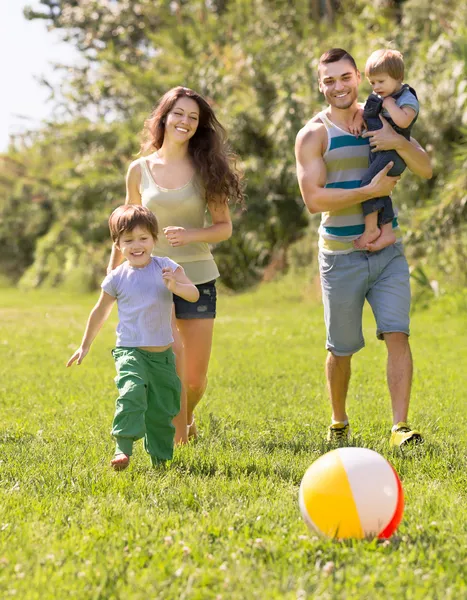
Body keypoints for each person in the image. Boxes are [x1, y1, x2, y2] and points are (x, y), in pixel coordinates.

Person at [295, 48, 432, 447]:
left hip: (388, 254)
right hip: (340, 254)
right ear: (321, 86)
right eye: (329, 80)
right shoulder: (314, 134)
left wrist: (395, 140)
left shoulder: (381, 113)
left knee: (397, 333)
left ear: (358, 77)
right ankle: (338, 420)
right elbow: (313, 201)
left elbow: (425, 168)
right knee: (342, 349)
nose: (338, 86)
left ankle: (399, 427)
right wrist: (368, 191)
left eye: (344, 77)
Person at [107, 86, 244, 444]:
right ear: (164, 117)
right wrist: (114, 275)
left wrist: (192, 234)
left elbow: (224, 227)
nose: (185, 122)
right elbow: (126, 225)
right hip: (150, 281)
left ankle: (188, 414)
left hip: (197, 278)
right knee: (171, 364)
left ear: (199, 126)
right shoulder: (139, 170)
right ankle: (177, 439)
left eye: (193, 117)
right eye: (179, 114)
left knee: (195, 378)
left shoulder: (207, 169)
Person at [67, 205, 199, 470]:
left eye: (143, 238)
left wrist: (176, 285)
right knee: (131, 392)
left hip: (162, 355)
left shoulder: (167, 267)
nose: (136, 245)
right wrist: (84, 345)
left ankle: (160, 461)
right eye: (128, 240)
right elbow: (100, 311)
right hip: (130, 351)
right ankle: (122, 448)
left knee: (162, 409)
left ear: (154, 239)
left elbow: (193, 294)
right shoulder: (117, 278)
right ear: (117, 244)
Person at [352, 49, 420, 251]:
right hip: (379, 151)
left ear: (398, 77)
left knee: (368, 184)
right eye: (372, 82)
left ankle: (371, 229)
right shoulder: (377, 96)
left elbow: (404, 120)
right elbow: (365, 111)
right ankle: (387, 231)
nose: (376, 87)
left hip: (394, 154)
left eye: (381, 81)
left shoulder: (405, 98)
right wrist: (358, 119)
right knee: (380, 191)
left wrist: (390, 105)